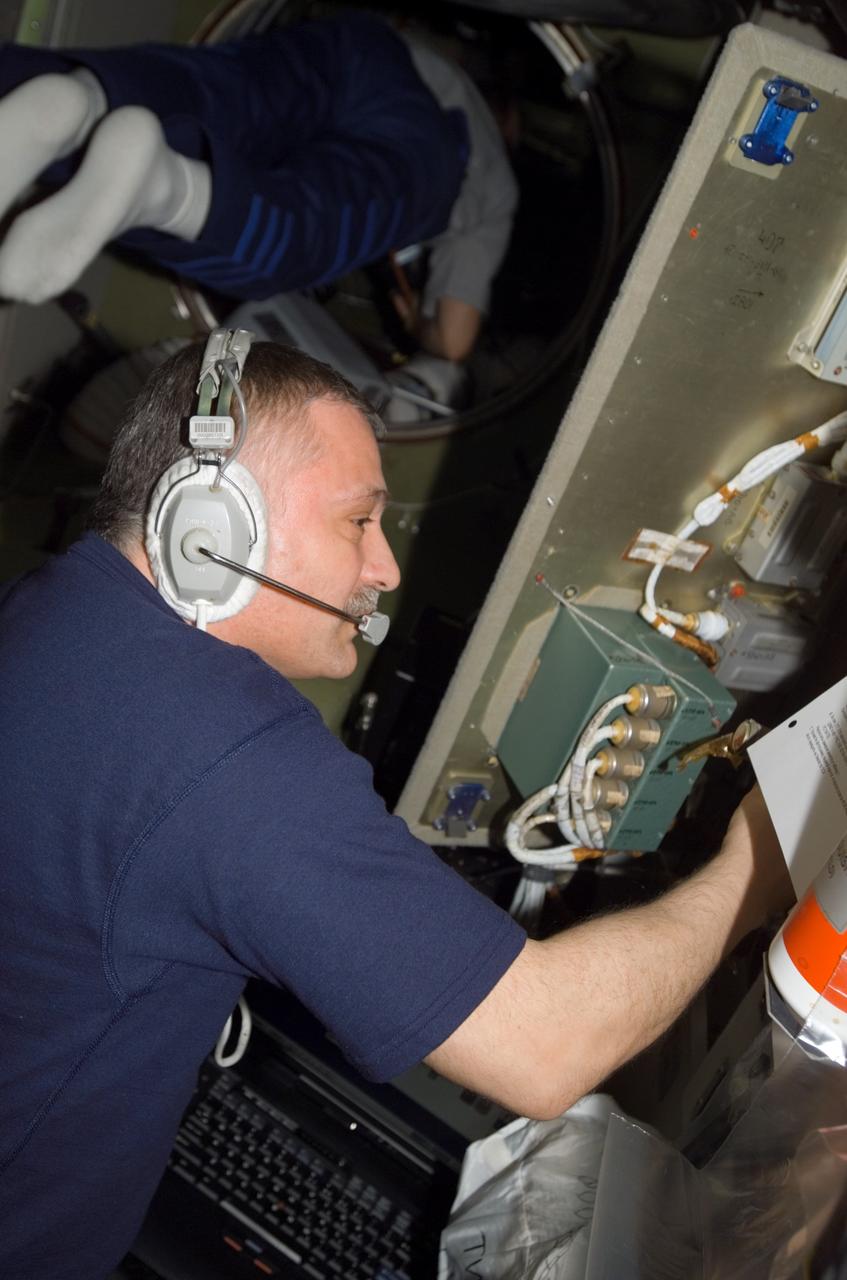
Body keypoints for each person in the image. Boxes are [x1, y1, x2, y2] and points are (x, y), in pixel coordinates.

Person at [0, 338, 791, 1280]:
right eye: (358, 521)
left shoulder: (45, 606)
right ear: (210, 528)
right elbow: (546, 1051)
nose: (385, 568)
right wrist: (762, 851)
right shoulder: (226, 756)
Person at [0, 9, 519, 410]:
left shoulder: (445, 62)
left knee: (224, 91)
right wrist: (419, 326)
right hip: (425, 149)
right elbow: (453, 341)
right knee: (311, 221)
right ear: (506, 127)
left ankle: (80, 101)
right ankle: (163, 189)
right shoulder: (495, 182)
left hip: (359, 48)